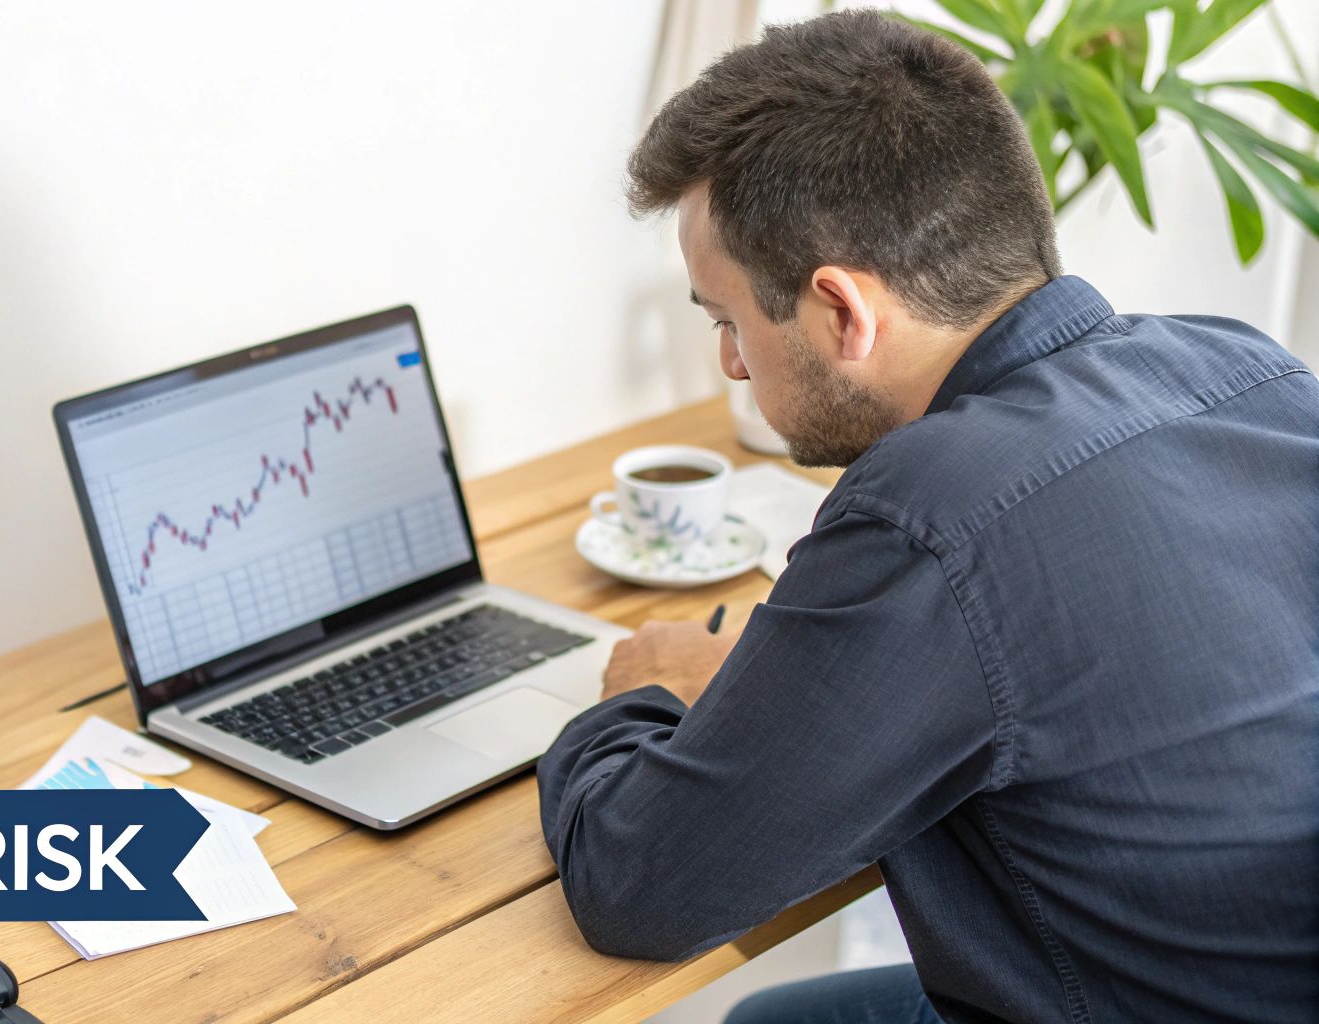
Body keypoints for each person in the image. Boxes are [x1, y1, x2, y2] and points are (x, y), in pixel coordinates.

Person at [535, 10, 1319, 1023]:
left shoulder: (927, 513)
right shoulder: (1247, 368)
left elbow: (639, 887)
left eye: (728, 320)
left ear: (841, 311)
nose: (728, 363)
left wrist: (642, 695)